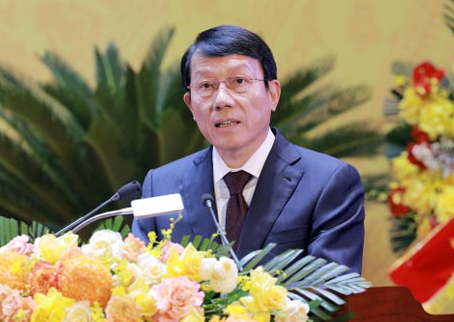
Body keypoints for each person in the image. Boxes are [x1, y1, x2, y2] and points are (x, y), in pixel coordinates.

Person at [131, 25, 365, 273]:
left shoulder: (328, 182)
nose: (222, 100)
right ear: (190, 104)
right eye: (206, 86)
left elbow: (332, 294)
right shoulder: (161, 185)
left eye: (239, 81)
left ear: (272, 94)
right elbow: (143, 286)